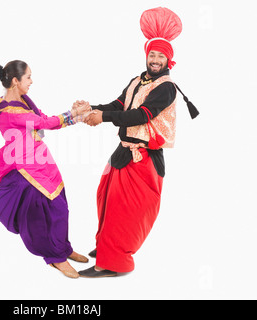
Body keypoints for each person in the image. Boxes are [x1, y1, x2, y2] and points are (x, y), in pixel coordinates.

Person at [77, 7, 199, 278]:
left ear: (168, 60)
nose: (155, 60)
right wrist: (90, 109)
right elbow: (119, 104)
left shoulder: (166, 87)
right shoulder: (137, 80)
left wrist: (103, 117)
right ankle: (107, 247)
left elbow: (141, 115)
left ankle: (112, 263)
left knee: (124, 210)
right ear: (147, 56)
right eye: (152, 55)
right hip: (123, 152)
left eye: (160, 56)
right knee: (105, 198)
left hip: (143, 158)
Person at [0, 60, 91, 278]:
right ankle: (55, 258)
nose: (32, 81)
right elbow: (45, 124)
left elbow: (42, 118)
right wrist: (75, 114)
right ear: (16, 81)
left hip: (41, 159)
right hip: (26, 167)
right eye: (29, 77)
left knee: (61, 204)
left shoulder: (22, 100)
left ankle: (64, 248)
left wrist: (74, 113)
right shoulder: (10, 110)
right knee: (44, 212)